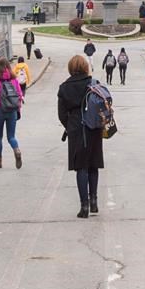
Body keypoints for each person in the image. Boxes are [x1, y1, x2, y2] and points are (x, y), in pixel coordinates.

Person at [57, 54, 103, 218]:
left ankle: (84, 206)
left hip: (76, 128)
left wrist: (69, 126)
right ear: (85, 67)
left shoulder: (64, 87)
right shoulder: (93, 84)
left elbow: (62, 114)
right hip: (93, 126)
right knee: (93, 165)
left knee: (81, 167)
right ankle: (94, 202)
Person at [0, 57, 23, 169]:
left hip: (0, 110)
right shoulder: (14, 79)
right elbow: (19, 96)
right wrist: (18, 110)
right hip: (12, 110)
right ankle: (16, 149)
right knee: (11, 136)